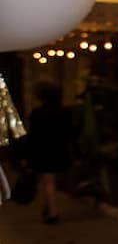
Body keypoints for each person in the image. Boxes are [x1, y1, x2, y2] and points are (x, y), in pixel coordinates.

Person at [27, 82, 73, 224]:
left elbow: (32, 135)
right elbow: (69, 133)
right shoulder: (64, 113)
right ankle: (48, 207)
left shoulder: (37, 113)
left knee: (48, 181)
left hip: (42, 150)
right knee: (49, 181)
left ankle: (53, 212)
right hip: (58, 149)